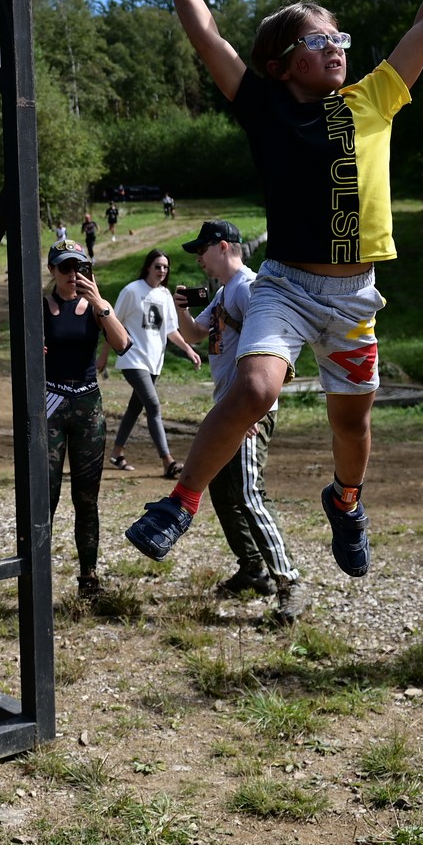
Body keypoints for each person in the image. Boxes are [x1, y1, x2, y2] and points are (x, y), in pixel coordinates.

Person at [125, 0, 423, 575]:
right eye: (317, 40)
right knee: (255, 388)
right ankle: (181, 501)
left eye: (339, 36)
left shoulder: (374, 97)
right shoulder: (265, 109)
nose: (335, 47)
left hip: (354, 300)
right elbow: (209, 40)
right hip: (288, 287)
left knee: (351, 426)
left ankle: (346, 500)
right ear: (279, 64)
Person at [175, 219, 307, 626]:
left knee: (249, 493)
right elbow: (196, 334)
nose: (198, 256)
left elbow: (277, 348)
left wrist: (252, 409)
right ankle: (252, 569)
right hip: (228, 413)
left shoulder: (250, 288)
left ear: (224, 246)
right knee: (222, 491)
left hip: (248, 414)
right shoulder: (222, 294)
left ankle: (290, 583)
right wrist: (180, 308)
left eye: (202, 248)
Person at [41, 242, 132, 598]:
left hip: (87, 407)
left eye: (79, 267)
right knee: (44, 497)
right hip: (49, 404)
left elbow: (123, 344)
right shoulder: (39, 307)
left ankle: (88, 578)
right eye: (65, 267)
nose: (72, 274)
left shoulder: (96, 307)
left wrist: (100, 304)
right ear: (52, 270)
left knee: (86, 498)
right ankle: (37, 577)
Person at [106, 249, 203, 476]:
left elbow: (170, 330)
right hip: (132, 358)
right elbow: (112, 322)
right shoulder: (132, 290)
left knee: (135, 408)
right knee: (153, 405)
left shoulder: (165, 296)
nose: (161, 271)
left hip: (154, 360)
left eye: (165, 267)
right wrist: (104, 355)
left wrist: (189, 349)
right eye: (158, 266)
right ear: (148, 266)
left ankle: (117, 452)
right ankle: (167, 461)